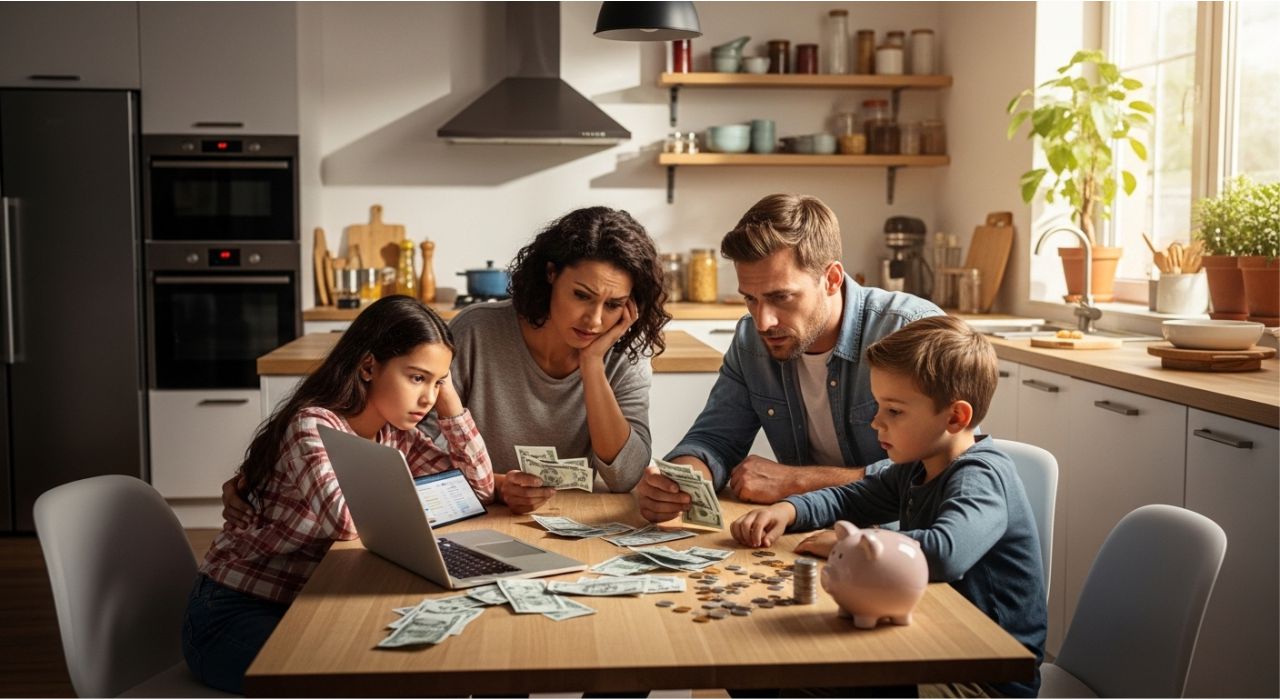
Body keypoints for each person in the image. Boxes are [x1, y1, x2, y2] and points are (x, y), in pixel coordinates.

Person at [184, 296, 494, 694]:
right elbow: (348, 523)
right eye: (417, 378)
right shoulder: (312, 424)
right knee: (360, 681)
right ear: (368, 366)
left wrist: (450, 400)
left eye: (437, 382)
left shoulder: (396, 433)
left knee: (416, 665)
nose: (427, 398)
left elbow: (478, 489)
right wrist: (420, 501)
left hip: (311, 604)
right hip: (233, 612)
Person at [731, 315, 1046, 698]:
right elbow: (850, 497)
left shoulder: (980, 476)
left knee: (804, 680)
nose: (876, 423)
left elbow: (947, 552)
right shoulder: (917, 465)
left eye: (894, 411)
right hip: (930, 647)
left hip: (982, 677)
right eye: (879, 406)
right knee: (766, 673)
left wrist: (852, 545)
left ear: (955, 417)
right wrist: (788, 510)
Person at [634, 193, 941, 524]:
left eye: (781, 297)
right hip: (802, 532)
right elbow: (715, 439)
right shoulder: (751, 340)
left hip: (904, 544)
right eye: (750, 299)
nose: (763, 321)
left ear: (832, 279)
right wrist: (680, 480)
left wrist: (795, 482)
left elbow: (946, 469)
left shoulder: (912, 331)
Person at [422, 206, 671, 514]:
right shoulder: (476, 331)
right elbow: (419, 448)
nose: (594, 321)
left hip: (584, 520)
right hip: (487, 515)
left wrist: (592, 364)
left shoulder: (626, 351)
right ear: (551, 274)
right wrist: (496, 485)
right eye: (582, 296)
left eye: (613, 305)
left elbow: (625, 475)